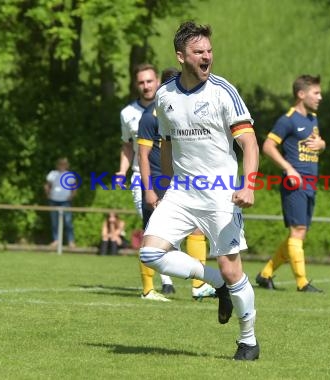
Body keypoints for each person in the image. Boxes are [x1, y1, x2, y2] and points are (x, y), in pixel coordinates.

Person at [139, 21, 260, 360]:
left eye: (209, 50)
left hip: (220, 194)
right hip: (181, 192)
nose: (207, 56)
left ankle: (248, 340)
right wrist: (164, 186)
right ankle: (216, 283)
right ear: (181, 57)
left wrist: (247, 185)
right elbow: (165, 143)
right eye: (199, 52)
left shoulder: (223, 91)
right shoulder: (165, 95)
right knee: (150, 253)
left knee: (232, 269)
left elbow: (249, 143)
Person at [138, 67, 216, 301]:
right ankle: (148, 289)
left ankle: (199, 285)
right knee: (153, 236)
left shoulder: (188, 112)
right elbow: (142, 156)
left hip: (185, 182)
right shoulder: (150, 116)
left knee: (197, 229)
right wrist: (149, 190)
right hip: (160, 181)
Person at [255, 75, 326, 293]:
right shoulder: (288, 120)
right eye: (316, 93)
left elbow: (317, 145)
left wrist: (322, 144)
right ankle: (302, 283)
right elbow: (267, 146)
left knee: (299, 234)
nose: (320, 97)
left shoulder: (313, 119)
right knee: (298, 230)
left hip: (311, 183)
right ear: (301, 94)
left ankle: (265, 274)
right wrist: (288, 169)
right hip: (294, 183)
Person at [117, 63, 174, 301]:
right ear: (136, 84)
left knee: (173, 230)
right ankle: (159, 283)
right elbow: (128, 147)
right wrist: (121, 172)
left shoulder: (169, 108)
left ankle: (177, 279)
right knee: (151, 228)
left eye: (149, 81)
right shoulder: (128, 113)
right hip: (143, 177)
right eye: (141, 82)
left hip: (170, 176)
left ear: (157, 82)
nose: (146, 86)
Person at [45, 157, 76, 249]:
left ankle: (71, 241)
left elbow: (74, 188)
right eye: (60, 164)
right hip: (54, 200)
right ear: (57, 165)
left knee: (68, 222)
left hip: (65, 201)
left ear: (67, 165)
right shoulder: (52, 174)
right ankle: (56, 240)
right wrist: (48, 195)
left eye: (64, 164)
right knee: (54, 222)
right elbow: (47, 185)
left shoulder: (70, 175)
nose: (62, 166)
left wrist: (71, 196)